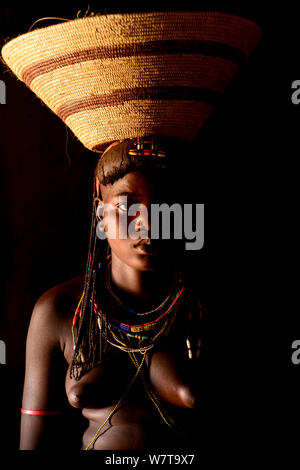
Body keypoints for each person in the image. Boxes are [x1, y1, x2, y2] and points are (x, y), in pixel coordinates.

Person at [1, 9, 262, 450]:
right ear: (100, 216)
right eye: (127, 208)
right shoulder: (60, 312)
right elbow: (34, 445)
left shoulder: (208, 304)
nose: (149, 224)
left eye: (166, 207)